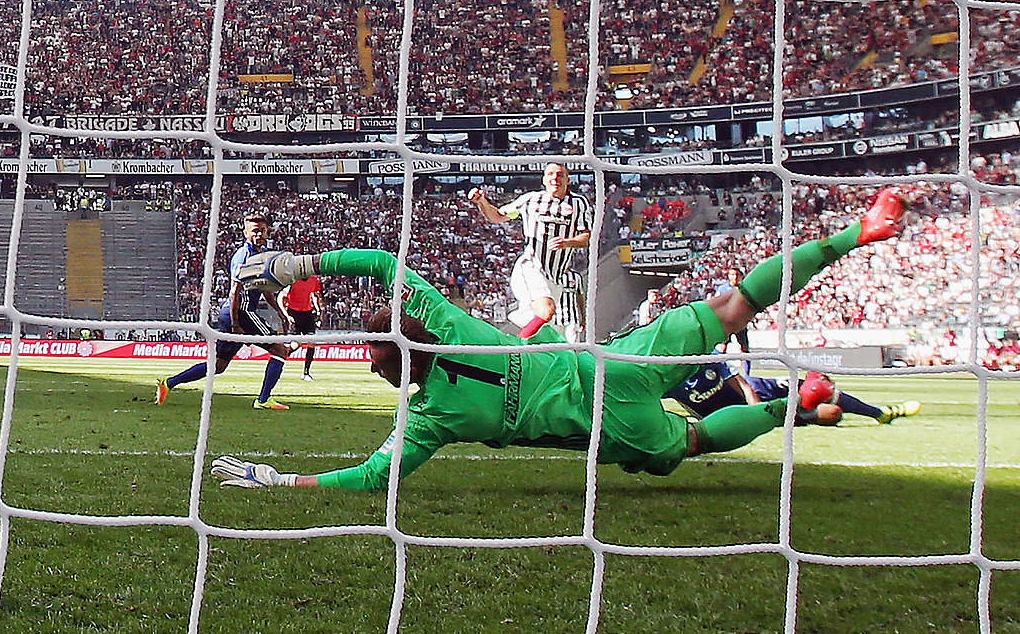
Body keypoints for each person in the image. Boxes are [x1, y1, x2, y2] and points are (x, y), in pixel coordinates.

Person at [210, 188, 904, 490]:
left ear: (401, 362)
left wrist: (283, 481)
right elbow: (385, 266)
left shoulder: (429, 419)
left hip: (605, 422)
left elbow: (371, 478)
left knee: (691, 443)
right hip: (611, 362)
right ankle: (857, 233)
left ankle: (792, 407)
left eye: (374, 358)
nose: (370, 370)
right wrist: (305, 264)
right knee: (729, 305)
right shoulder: (444, 322)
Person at [156, 214, 293, 410]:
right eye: (255, 231)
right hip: (241, 311)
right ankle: (263, 400)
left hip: (232, 313)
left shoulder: (263, 254)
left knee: (218, 366)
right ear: (246, 233)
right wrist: (237, 324)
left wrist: (279, 311)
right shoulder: (243, 257)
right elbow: (234, 291)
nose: (260, 234)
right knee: (280, 350)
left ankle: (168, 383)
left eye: (262, 230)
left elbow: (264, 288)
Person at [468, 163, 593, 341]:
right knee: (546, 310)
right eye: (550, 174)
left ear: (568, 179)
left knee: (550, 330)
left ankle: (530, 352)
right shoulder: (530, 200)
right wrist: (482, 202)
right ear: (544, 179)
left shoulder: (578, 203)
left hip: (556, 276)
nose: (555, 178)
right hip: (531, 267)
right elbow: (497, 216)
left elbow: (586, 237)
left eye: (560, 175)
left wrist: (567, 242)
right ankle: (515, 349)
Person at [666, 359, 922, 426]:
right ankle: (806, 414)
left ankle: (881, 413)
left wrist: (755, 413)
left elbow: (744, 386)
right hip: (730, 418)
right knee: (831, 415)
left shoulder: (708, 358)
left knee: (817, 386)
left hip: (759, 395)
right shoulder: (666, 377)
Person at [280, 272, 324, 381]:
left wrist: (319, 310)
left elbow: (315, 295)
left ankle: (306, 373)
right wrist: (286, 315)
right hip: (294, 313)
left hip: (307, 313)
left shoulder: (313, 280)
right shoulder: (292, 280)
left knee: (312, 341)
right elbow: (280, 297)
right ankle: (280, 356)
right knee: (296, 344)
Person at [713, 267, 751, 375]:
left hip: (741, 323)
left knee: (744, 349)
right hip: (726, 324)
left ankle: (747, 374)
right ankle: (720, 373)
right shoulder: (722, 289)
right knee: (722, 348)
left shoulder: (745, 289)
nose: (734, 277)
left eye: (736, 275)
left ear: (740, 276)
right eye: (731, 274)